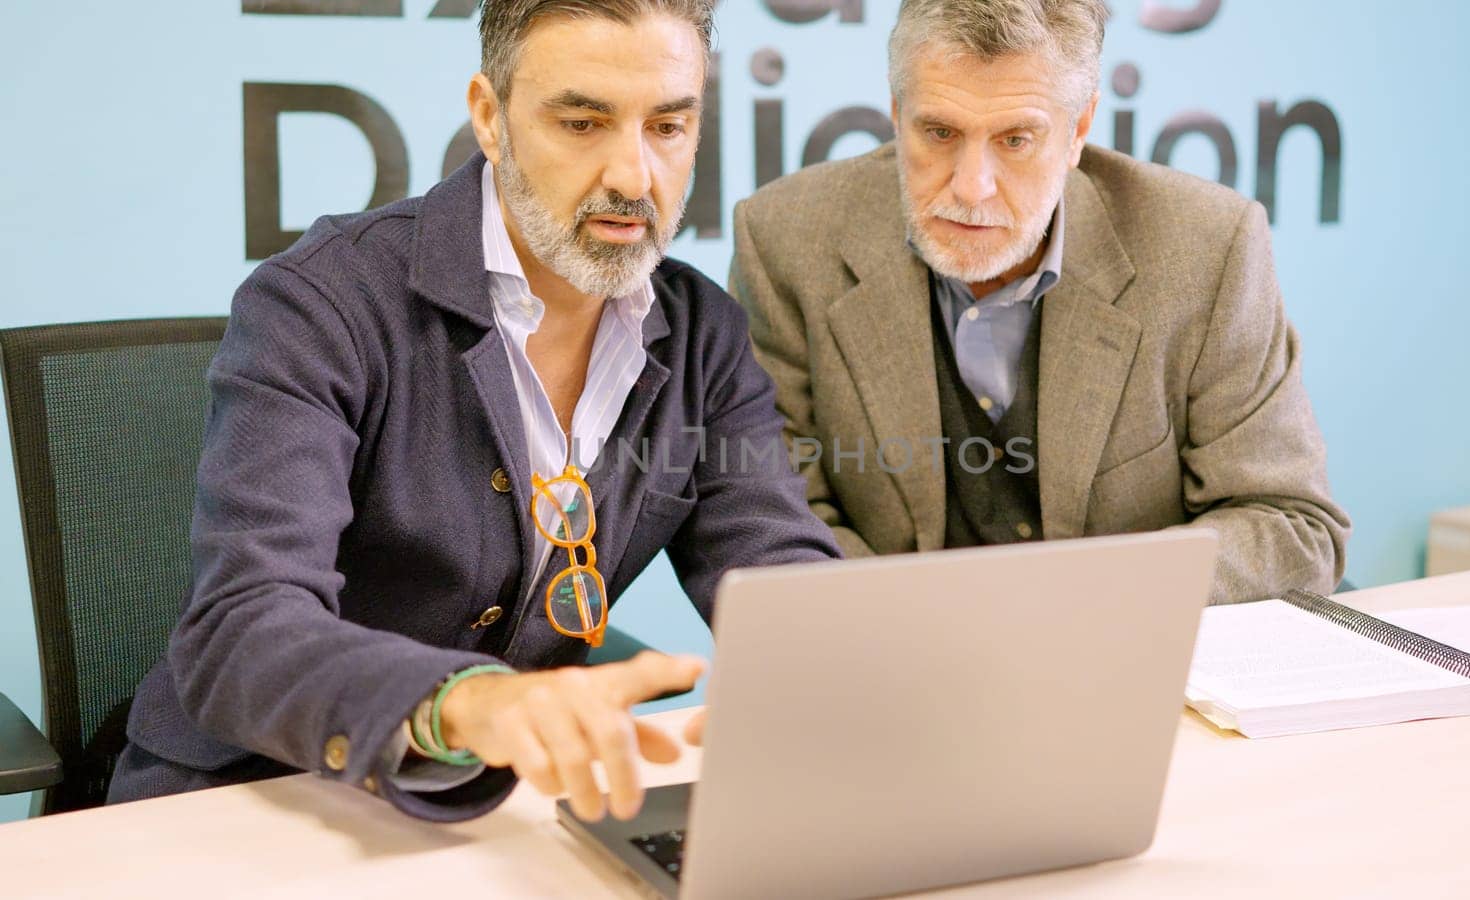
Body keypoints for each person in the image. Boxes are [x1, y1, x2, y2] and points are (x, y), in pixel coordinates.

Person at [109, 0, 837, 824]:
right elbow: (240, 630)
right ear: (490, 118)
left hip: (493, 809)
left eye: (668, 128)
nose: (635, 179)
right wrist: (473, 704)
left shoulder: (703, 332)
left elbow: (784, 578)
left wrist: (854, 679)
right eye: (583, 123)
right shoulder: (322, 301)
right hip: (252, 798)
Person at [729, 0, 1350, 603]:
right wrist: (937, 626)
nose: (973, 187)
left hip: (1125, 663)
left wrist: (1070, 606)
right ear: (897, 113)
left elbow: (1291, 524)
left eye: (1016, 140)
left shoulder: (1208, 249)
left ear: (1078, 129)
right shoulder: (786, 240)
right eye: (939, 132)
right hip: (898, 667)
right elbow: (779, 524)